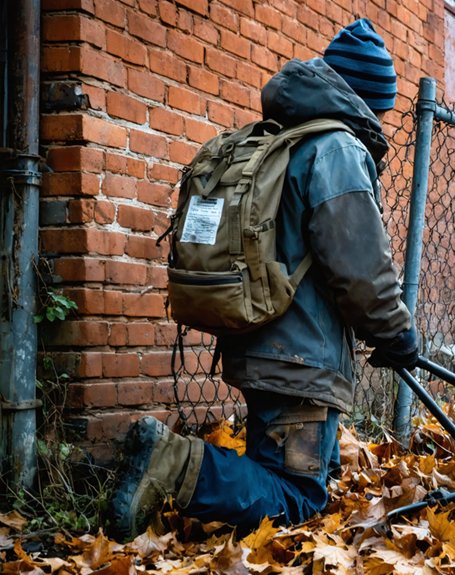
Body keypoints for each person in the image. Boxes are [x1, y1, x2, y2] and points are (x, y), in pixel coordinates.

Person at [110, 18, 418, 540]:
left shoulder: (285, 138)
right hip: (300, 356)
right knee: (297, 498)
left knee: (279, 472)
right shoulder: (337, 149)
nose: (382, 121)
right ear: (364, 99)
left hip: (261, 339)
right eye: (381, 109)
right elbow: (360, 264)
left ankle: (185, 472)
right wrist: (396, 332)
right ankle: (176, 463)